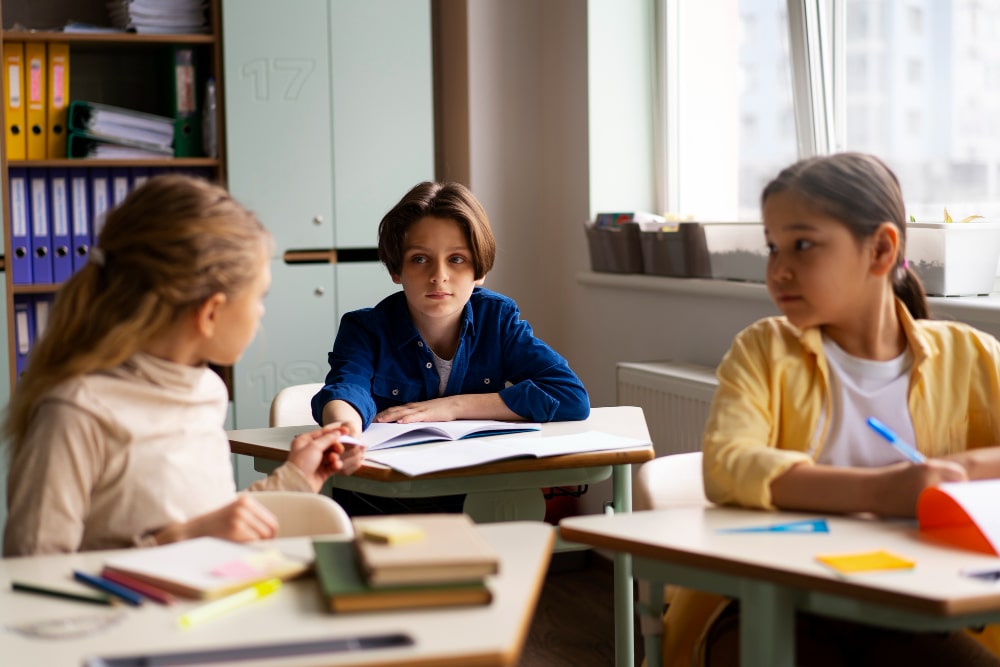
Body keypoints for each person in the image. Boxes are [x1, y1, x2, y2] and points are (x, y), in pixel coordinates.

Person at [660, 153, 1000, 666]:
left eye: (802, 245)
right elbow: (727, 466)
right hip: (779, 603)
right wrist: (886, 491)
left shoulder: (972, 355)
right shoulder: (764, 350)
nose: (779, 268)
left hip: (918, 607)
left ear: (881, 250)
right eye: (772, 247)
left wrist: (969, 469)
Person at [3, 174, 363, 557]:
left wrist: (299, 475)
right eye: (259, 297)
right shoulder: (76, 412)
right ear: (210, 313)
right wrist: (178, 540)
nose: (261, 312)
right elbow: (34, 575)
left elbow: (213, 523)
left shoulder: (205, 389)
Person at [311, 181, 590, 514]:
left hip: (477, 495)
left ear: (479, 270)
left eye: (456, 259)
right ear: (396, 270)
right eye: (419, 259)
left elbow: (571, 396)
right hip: (382, 499)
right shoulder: (365, 329)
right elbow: (347, 390)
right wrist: (343, 432)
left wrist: (453, 406)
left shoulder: (498, 320)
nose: (438, 275)